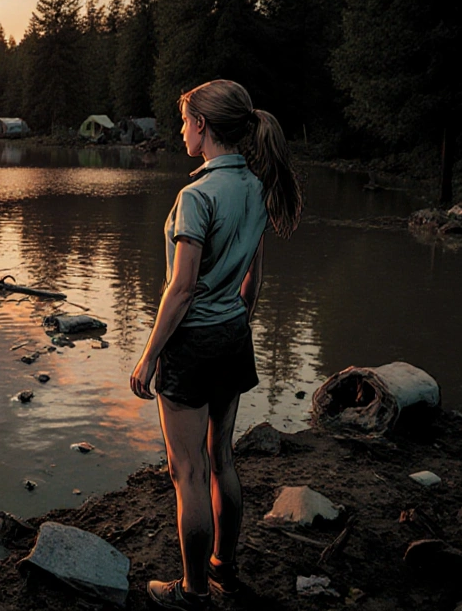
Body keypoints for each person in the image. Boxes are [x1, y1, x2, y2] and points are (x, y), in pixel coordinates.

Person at [130, 80, 303, 610]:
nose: (182, 129)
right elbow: (255, 278)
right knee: (222, 458)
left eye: (185, 121)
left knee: (188, 471)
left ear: (202, 126)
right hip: (232, 335)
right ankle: (223, 569)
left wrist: (149, 355)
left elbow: (181, 289)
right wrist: (237, 322)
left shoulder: (196, 196)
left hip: (192, 345)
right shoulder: (256, 186)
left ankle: (193, 592)